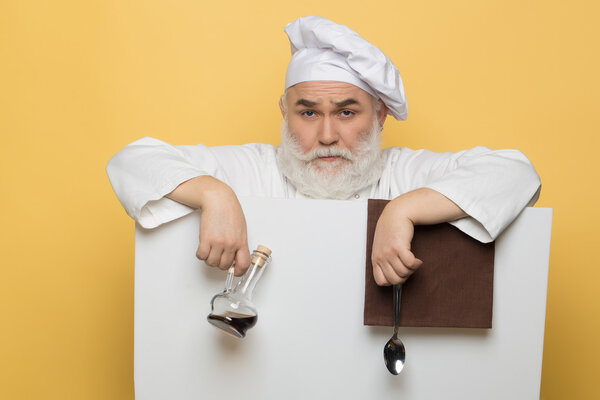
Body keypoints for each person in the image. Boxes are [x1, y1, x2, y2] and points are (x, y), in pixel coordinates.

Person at [107, 16, 541, 287]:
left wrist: (401, 210)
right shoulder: (250, 168)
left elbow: (517, 173)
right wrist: (213, 193)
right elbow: (132, 161)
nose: (328, 135)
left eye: (348, 112)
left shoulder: (405, 173)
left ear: (380, 115)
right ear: (284, 112)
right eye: (308, 113)